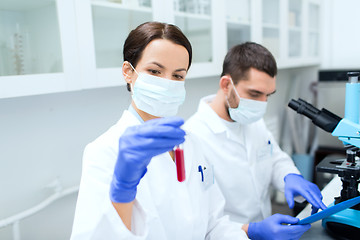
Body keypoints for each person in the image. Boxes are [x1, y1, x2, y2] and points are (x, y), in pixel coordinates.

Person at [70, 22, 250, 240]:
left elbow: (213, 225)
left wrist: (250, 234)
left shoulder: (191, 142)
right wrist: (122, 191)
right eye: (154, 71)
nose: (167, 83)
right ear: (128, 72)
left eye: (178, 76)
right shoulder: (104, 151)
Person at [184, 42, 325, 240]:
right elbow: (200, 223)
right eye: (254, 94)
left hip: (266, 227)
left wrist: (290, 176)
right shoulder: (192, 137)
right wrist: (253, 231)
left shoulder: (252, 121)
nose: (262, 105)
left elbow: (274, 158)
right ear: (226, 85)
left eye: (267, 95)